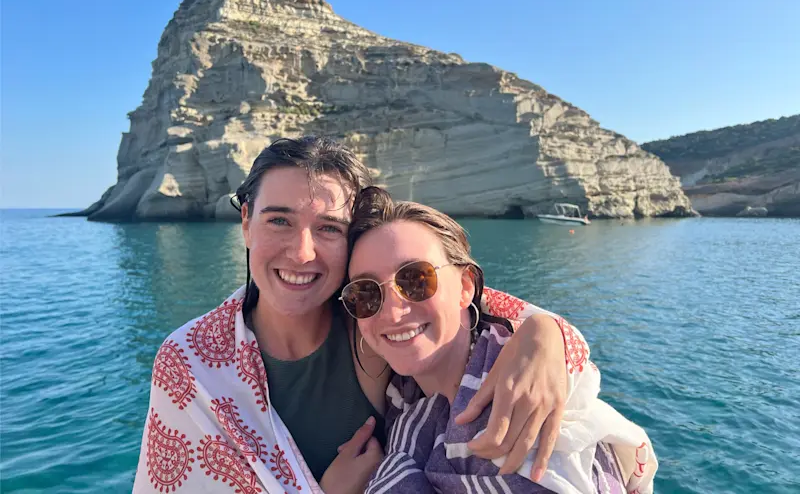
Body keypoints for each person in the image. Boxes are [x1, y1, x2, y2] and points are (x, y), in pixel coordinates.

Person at [133, 136, 599, 494]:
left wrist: (544, 335)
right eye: (279, 220)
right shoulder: (191, 363)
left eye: (329, 228)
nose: (302, 252)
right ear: (246, 223)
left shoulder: (373, 316)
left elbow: (479, 306)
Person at [343, 187, 658, 494]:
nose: (393, 311)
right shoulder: (404, 405)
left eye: (415, 279)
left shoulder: (538, 416)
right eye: (366, 293)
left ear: (466, 287)